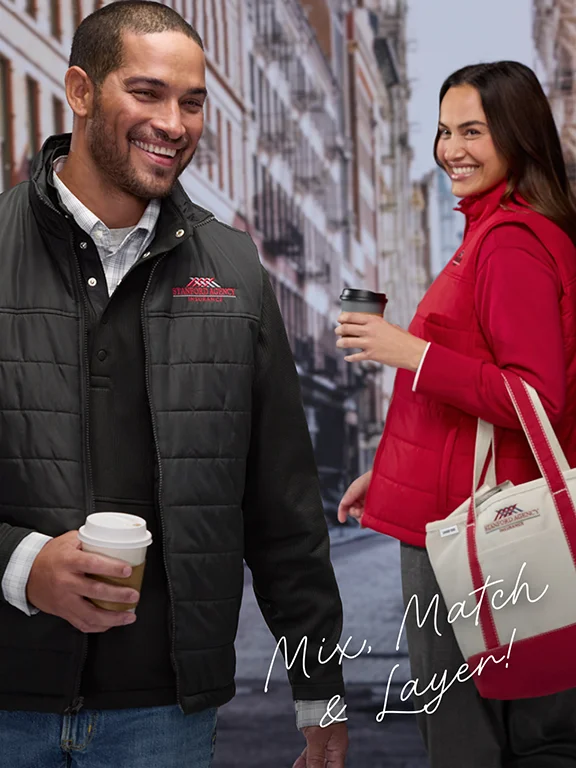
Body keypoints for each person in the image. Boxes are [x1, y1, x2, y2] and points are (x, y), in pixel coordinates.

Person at [0, 3, 348, 767]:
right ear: (80, 91)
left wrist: (320, 693)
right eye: (147, 93)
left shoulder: (236, 271)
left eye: (191, 102)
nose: (174, 123)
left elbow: (285, 508)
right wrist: (23, 567)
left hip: (165, 715)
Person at [336, 60, 576, 767]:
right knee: (531, 729)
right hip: (476, 514)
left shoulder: (509, 242)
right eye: (444, 132)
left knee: (468, 738)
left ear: (518, 136)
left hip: (475, 536)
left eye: (472, 131)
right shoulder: (499, 233)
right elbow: (467, 402)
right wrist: (389, 474)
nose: (451, 150)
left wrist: (406, 351)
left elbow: (532, 397)